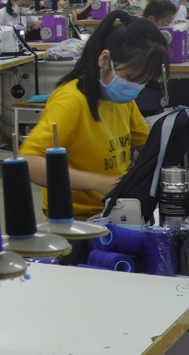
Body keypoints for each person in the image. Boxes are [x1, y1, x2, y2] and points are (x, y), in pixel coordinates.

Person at [19, 12, 167, 230]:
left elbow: (150, 146)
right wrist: (101, 183)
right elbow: (29, 163)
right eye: (131, 78)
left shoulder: (120, 100)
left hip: (116, 213)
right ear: (104, 59)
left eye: (143, 82)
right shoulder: (71, 101)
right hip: (76, 224)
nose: (135, 87)